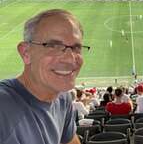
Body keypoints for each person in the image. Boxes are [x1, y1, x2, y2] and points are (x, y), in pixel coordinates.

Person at [0, 9, 89, 144]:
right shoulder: (4, 110)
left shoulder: (62, 98)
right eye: (54, 46)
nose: (70, 59)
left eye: (76, 48)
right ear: (26, 53)